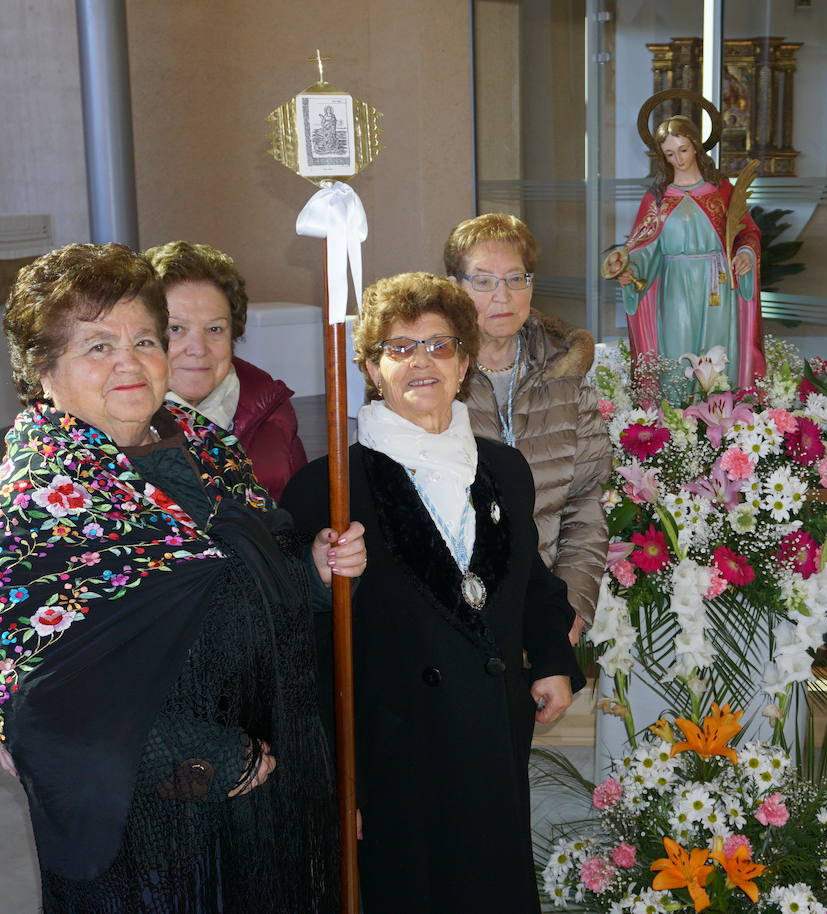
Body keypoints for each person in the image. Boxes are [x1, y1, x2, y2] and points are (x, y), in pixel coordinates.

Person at [0, 242, 365, 912]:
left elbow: (246, 578)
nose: (130, 361)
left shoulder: (204, 446)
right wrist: (210, 761)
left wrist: (313, 571)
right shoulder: (32, 503)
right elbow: (39, 710)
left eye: (145, 340)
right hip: (156, 834)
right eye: (98, 346)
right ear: (43, 371)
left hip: (265, 803)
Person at [280, 272, 585, 914]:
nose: (422, 361)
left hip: (491, 737)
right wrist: (336, 780)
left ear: (464, 363)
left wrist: (553, 659)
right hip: (394, 756)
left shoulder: (505, 469)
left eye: (440, 345)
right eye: (400, 347)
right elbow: (303, 650)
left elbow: (530, 579)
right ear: (371, 368)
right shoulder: (328, 487)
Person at [444, 213, 611, 640]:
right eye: (483, 280)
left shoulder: (564, 374)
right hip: (454, 612)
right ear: (455, 286)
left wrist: (568, 609)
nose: (502, 295)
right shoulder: (434, 377)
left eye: (516, 278)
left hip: (546, 604)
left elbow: (586, 503)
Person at [145, 240, 308, 501]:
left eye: (215, 329)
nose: (199, 349)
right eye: (176, 329)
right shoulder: (113, 424)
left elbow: (300, 517)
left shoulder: (272, 411)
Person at [617, 113, 764, 386]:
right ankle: (676, 410)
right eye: (670, 154)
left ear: (696, 146)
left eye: (683, 150)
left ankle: (720, 405)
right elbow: (643, 247)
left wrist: (745, 253)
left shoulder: (720, 191)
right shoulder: (657, 199)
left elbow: (746, 232)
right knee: (676, 347)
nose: (679, 159)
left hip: (716, 282)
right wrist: (631, 269)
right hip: (674, 283)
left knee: (716, 348)